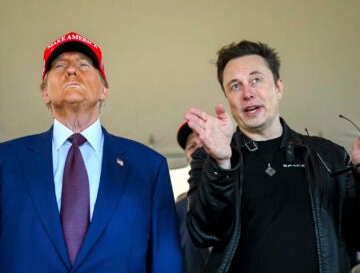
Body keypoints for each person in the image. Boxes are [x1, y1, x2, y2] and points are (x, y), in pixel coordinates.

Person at [0, 31, 183, 272]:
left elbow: (166, 262)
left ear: (103, 89)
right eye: (60, 65)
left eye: (84, 64)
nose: (72, 70)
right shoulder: (6, 161)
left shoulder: (148, 167)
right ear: (45, 92)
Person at [184, 40, 360, 272]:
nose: (247, 93)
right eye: (235, 86)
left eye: (256, 80)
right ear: (227, 98)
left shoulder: (329, 155)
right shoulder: (209, 160)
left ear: (278, 87)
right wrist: (223, 163)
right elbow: (203, 233)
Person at [175, 121, 210, 273]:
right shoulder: (179, 209)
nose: (198, 148)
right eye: (192, 146)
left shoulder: (244, 194)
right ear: (188, 157)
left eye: (205, 141)